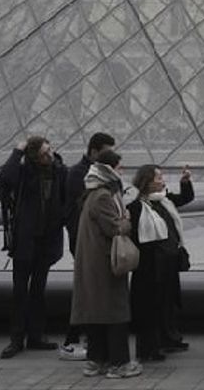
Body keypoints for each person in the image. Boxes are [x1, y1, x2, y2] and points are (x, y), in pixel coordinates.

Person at [71, 149, 140, 379]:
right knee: (115, 313)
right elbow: (114, 228)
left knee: (97, 313)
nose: (122, 172)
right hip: (105, 263)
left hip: (94, 262)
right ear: (109, 170)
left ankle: (96, 360)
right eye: (119, 168)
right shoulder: (103, 196)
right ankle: (120, 363)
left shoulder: (93, 193)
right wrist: (127, 221)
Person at [0, 136, 67, 359]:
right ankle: (16, 339)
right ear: (33, 156)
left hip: (47, 239)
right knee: (20, 291)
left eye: (50, 151)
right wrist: (17, 151)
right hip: (25, 240)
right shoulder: (24, 172)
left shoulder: (60, 171)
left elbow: (67, 200)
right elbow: (6, 178)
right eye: (44, 153)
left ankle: (36, 336)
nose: (49, 156)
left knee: (38, 290)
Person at [128, 164, 194, 362]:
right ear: (147, 182)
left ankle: (168, 338)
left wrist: (186, 183)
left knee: (168, 302)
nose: (162, 180)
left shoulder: (164, 200)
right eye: (158, 177)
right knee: (152, 305)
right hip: (151, 265)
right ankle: (150, 348)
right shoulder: (137, 205)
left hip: (167, 262)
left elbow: (185, 198)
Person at [60, 132, 116, 361]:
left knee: (89, 290)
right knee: (87, 290)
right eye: (106, 152)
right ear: (93, 151)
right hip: (85, 241)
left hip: (91, 239)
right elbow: (78, 210)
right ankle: (72, 340)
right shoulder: (78, 174)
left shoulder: (91, 173)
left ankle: (83, 338)